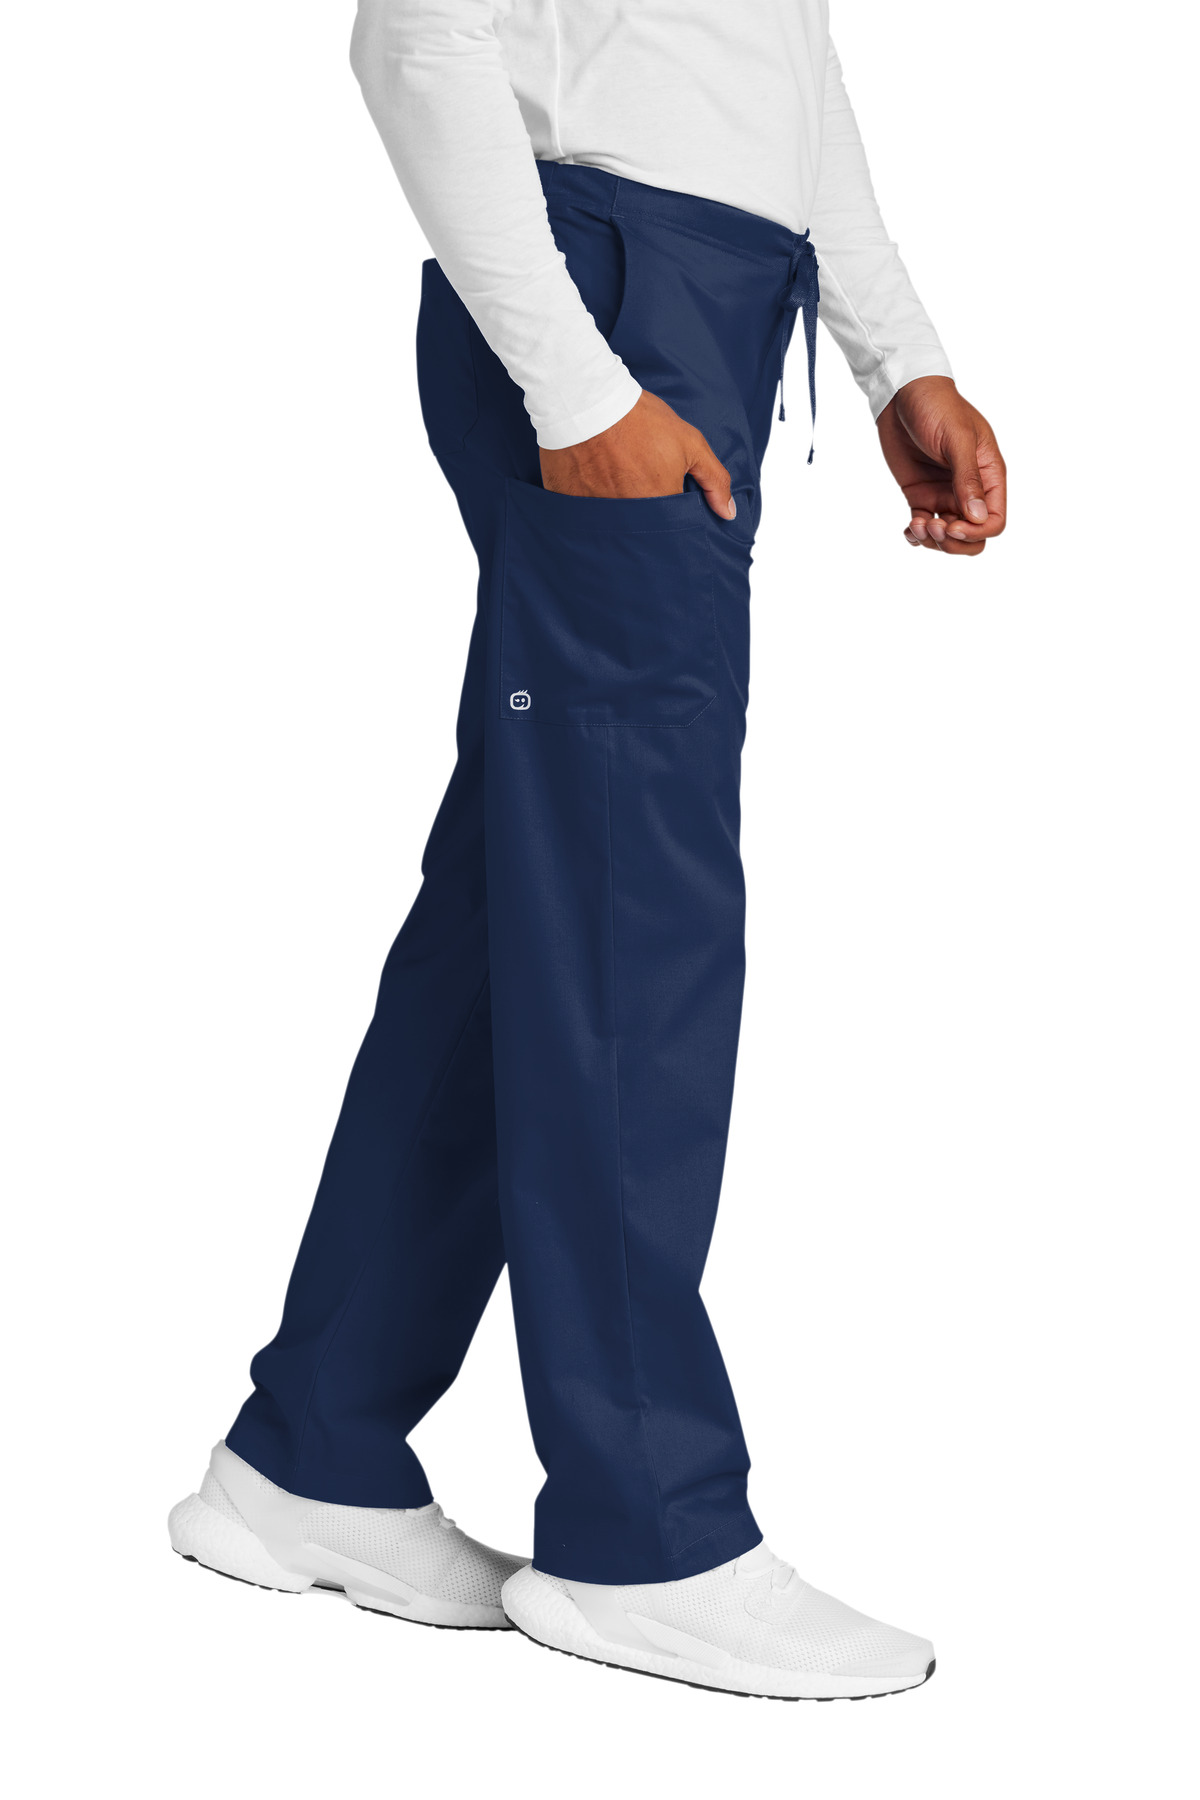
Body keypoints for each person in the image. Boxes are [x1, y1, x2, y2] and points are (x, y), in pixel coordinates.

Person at [169, 0, 1005, 1701]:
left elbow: (782, 58)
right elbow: (414, 36)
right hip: (611, 309)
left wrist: (894, 350)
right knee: (638, 921)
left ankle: (315, 1444)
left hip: (697, 303)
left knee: (529, 911)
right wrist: (576, 382)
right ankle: (647, 1536)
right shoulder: (588, 346)